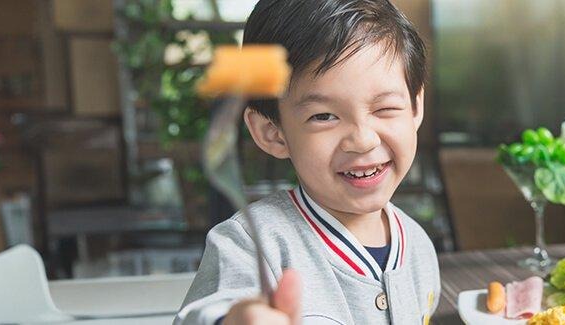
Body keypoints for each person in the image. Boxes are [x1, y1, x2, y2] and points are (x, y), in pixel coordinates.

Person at [175, 0, 438, 324]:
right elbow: (206, 312)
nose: (363, 139)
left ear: (415, 107)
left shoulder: (418, 245)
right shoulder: (250, 244)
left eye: (385, 108)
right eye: (323, 116)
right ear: (273, 133)